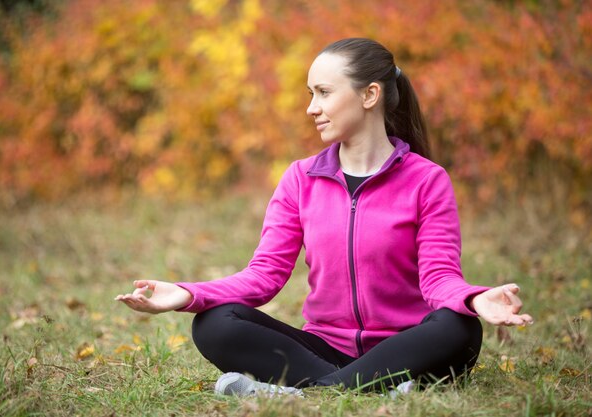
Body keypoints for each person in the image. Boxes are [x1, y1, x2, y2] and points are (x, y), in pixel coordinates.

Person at [115, 38, 534, 397]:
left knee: (458, 327)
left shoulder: (427, 180)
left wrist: (474, 298)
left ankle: (297, 394)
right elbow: (263, 276)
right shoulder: (300, 179)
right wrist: (187, 295)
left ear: (369, 96)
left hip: (408, 345)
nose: (312, 108)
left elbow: (439, 278)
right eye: (310, 94)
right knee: (215, 323)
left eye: (323, 92)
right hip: (322, 348)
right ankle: (373, 387)